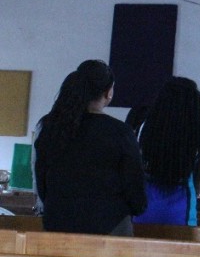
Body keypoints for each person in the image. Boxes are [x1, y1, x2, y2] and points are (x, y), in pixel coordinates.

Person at [34, 59, 147, 236]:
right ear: (108, 93)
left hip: (58, 225)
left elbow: (41, 182)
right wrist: (137, 209)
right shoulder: (121, 132)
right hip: (109, 227)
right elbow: (134, 188)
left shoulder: (50, 127)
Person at [134, 77, 200, 226]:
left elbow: (135, 166)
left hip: (144, 208)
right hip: (181, 211)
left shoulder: (146, 127)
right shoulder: (198, 132)